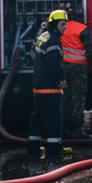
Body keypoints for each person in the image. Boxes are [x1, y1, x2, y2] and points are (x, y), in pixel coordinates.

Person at [28, 9, 68, 158]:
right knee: (54, 119)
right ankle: (54, 150)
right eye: (63, 24)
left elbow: (34, 54)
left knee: (37, 118)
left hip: (38, 87)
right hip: (51, 88)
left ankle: (33, 148)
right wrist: (61, 79)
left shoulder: (43, 37)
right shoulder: (53, 41)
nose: (66, 27)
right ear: (54, 25)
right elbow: (54, 63)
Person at [60, 6, 92, 138]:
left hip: (63, 68)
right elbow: (91, 51)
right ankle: (77, 130)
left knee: (65, 98)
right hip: (79, 70)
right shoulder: (83, 29)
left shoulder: (62, 29)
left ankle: (64, 129)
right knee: (78, 99)